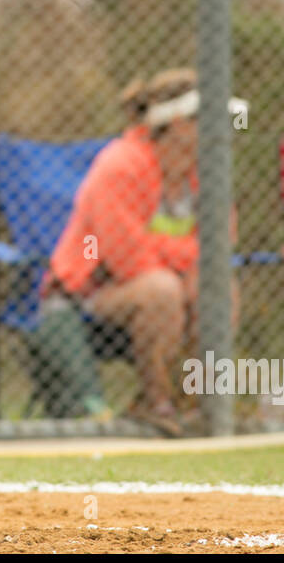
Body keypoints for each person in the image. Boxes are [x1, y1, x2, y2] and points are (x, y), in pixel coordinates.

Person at [44, 68, 242, 434]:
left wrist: (181, 263)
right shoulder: (121, 163)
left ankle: (198, 404)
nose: (224, 129)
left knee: (218, 288)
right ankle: (156, 403)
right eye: (211, 118)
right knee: (161, 290)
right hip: (92, 294)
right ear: (180, 124)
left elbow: (220, 244)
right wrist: (186, 260)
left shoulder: (206, 172)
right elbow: (126, 257)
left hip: (168, 283)